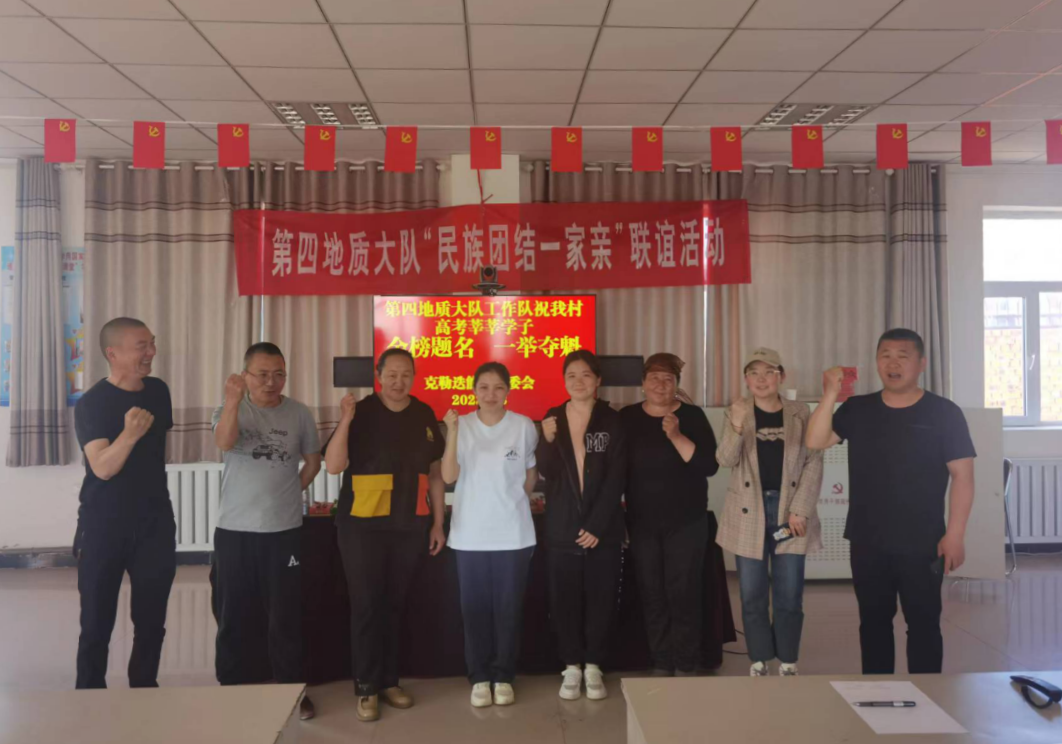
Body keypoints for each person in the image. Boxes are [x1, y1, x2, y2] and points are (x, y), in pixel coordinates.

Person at [806, 329, 976, 675]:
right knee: (873, 623)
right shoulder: (858, 409)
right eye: (885, 355)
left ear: (921, 363)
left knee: (924, 623)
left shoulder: (944, 412)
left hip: (923, 541)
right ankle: (877, 693)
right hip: (868, 540)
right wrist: (830, 394)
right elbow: (815, 440)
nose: (893, 363)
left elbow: (963, 476)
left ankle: (928, 693)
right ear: (876, 362)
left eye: (902, 356)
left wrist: (955, 534)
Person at [324, 348, 446, 723]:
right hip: (362, 528)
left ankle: (390, 681)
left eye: (406, 374)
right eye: (391, 374)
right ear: (378, 375)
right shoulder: (360, 412)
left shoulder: (424, 414)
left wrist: (438, 523)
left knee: (395, 604)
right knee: (366, 605)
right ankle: (366, 685)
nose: (398, 381)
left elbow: (436, 474)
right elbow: (333, 465)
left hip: (409, 525)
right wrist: (345, 420)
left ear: (414, 377)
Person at [211, 342, 321, 719]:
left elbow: (312, 462)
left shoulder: (299, 413)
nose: (271, 382)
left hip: (283, 530)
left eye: (279, 374)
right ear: (245, 375)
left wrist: (290, 492)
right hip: (234, 529)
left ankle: (292, 688)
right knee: (232, 611)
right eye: (262, 374)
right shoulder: (231, 408)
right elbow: (224, 442)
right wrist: (232, 402)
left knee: (286, 615)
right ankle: (231, 684)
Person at [73, 317, 176, 689]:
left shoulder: (159, 391)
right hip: (104, 526)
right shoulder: (92, 403)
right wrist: (130, 434)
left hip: (154, 525)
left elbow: (157, 455)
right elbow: (102, 468)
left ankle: (144, 690)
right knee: (96, 623)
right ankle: (89, 696)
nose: (151, 352)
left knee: (151, 622)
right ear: (112, 353)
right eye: (141, 346)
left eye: (152, 343)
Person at [716, 348, 824, 677]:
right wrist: (737, 424)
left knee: (789, 592)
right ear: (746, 379)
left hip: (789, 511)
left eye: (769, 372)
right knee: (752, 592)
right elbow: (725, 459)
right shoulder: (737, 411)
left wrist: (800, 510)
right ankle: (759, 658)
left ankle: (788, 659)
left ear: (782, 376)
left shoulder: (800, 412)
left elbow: (813, 461)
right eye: (754, 373)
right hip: (748, 511)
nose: (761, 379)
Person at [442, 362, 539, 709]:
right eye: (483, 387)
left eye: (498, 387)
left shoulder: (523, 426)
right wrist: (452, 432)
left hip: (513, 534)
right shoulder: (462, 425)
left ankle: (503, 676)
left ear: (508, 391)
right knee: (474, 610)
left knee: (508, 609)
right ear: (473, 391)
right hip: (470, 535)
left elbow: (529, 475)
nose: (491, 394)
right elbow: (449, 476)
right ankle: (479, 676)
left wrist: (511, 504)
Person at [620, 353, 719, 677]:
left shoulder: (691, 416)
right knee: (652, 592)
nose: (661, 385)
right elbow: (616, 470)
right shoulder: (628, 418)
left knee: (684, 591)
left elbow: (709, 466)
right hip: (642, 523)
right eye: (654, 378)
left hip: (687, 522)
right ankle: (661, 660)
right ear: (643, 383)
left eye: (668, 379)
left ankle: (686, 660)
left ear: (677, 384)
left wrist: (676, 435)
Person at [537, 350, 627, 701]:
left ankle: (594, 665)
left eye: (586, 375)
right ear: (564, 381)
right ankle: (571, 665)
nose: (578, 381)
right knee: (564, 600)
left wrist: (597, 525)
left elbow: (617, 476)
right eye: (571, 375)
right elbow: (548, 473)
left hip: (603, 529)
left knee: (602, 598)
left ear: (598, 380)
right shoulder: (552, 417)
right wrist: (546, 441)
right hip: (562, 527)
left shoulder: (612, 420)